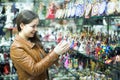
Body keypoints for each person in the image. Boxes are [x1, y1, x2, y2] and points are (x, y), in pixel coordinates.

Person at [10, 10, 70, 80]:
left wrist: (59, 52)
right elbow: (34, 70)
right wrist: (55, 53)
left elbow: (43, 60)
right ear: (22, 26)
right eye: (33, 26)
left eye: (37, 26)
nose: (36, 29)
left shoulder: (32, 40)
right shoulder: (16, 47)